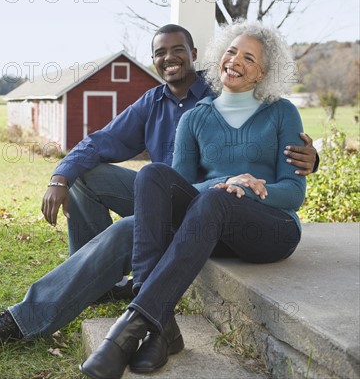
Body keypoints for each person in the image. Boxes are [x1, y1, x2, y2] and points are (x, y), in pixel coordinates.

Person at [0, 24, 316, 355]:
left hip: (227, 212)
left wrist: (309, 160)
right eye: (160, 52)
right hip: (177, 198)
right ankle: (53, 301)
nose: (169, 58)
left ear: (195, 54)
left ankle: (75, 309)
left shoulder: (237, 93)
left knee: (130, 227)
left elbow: (287, 166)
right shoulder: (157, 103)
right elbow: (104, 143)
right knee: (94, 177)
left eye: (179, 50)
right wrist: (60, 176)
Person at [80, 20, 307, 379]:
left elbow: (293, 193)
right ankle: (161, 327)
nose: (235, 60)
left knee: (216, 201)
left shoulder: (282, 112)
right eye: (232, 51)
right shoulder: (196, 117)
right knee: (154, 174)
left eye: (249, 58)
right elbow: (180, 192)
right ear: (219, 57)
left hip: (270, 231)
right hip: (212, 230)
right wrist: (225, 182)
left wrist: (246, 188)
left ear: (262, 72)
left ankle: (131, 328)